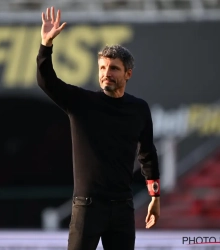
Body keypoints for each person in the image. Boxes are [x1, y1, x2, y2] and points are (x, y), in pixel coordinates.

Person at [36, 6, 160, 250]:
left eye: (114, 68)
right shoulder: (82, 103)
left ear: (128, 73)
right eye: (103, 68)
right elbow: (46, 81)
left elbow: (147, 153)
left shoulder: (139, 108)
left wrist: (155, 196)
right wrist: (45, 46)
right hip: (87, 208)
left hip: (123, 208)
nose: (106, 74)